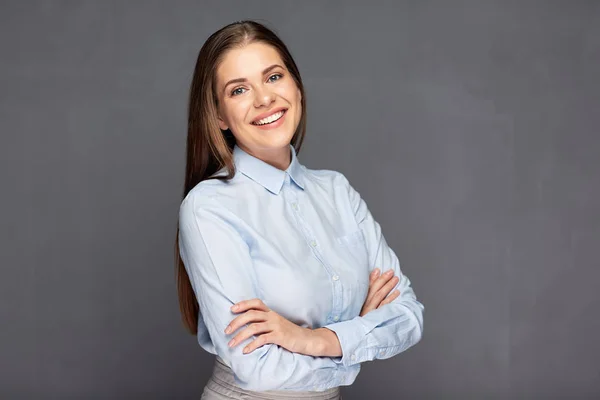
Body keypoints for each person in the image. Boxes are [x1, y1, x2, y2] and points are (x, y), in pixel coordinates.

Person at [175, 20, 424, 400]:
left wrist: (313, 340)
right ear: (220, 116)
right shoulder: (209, 208)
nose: (263, 99)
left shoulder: (337, 191)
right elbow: (256, 367)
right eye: (239, 89)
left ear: (297, 87)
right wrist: (357, 338)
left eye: (273, 77)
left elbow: (408, 316)